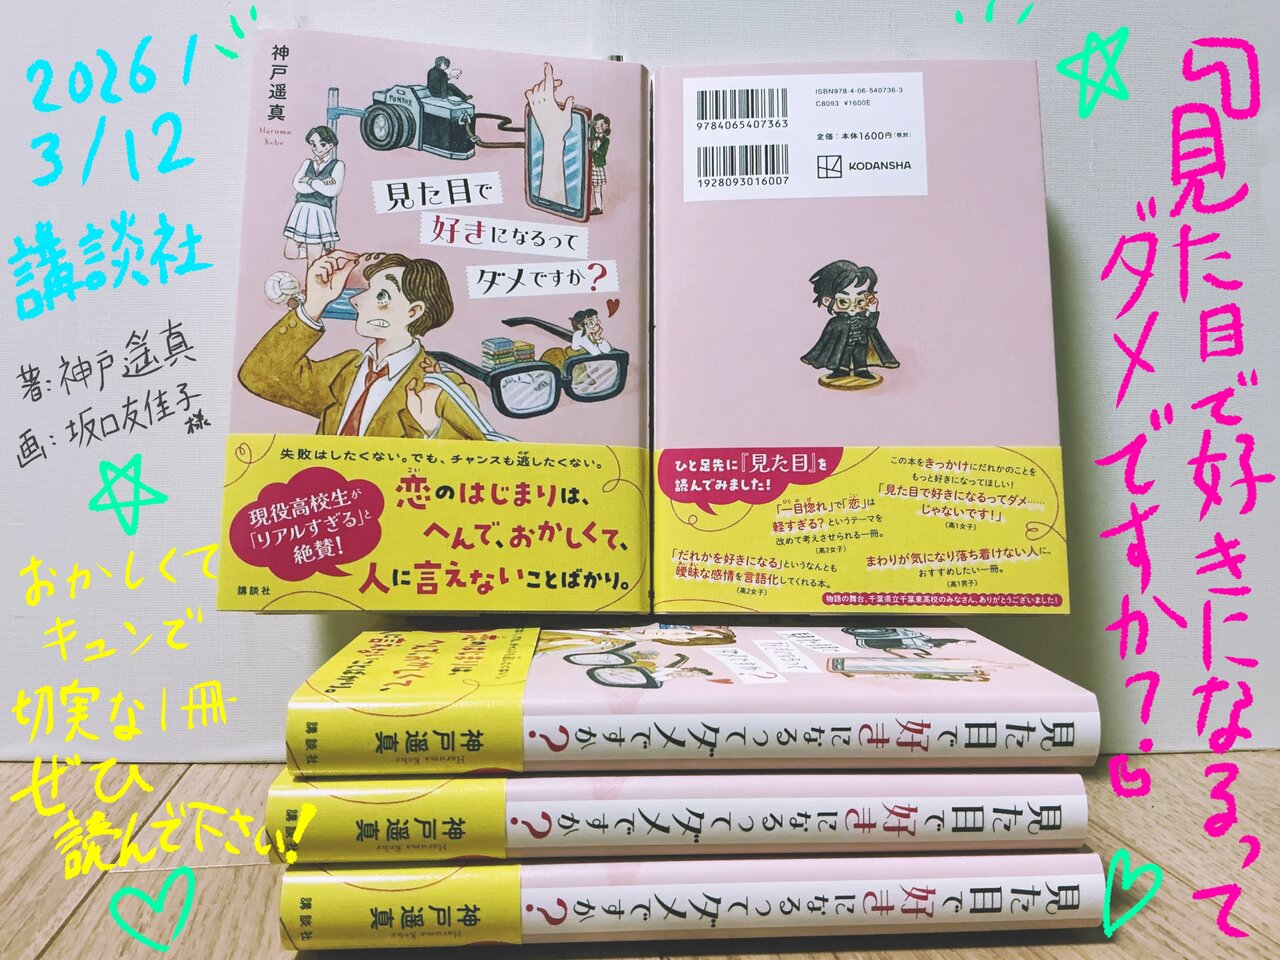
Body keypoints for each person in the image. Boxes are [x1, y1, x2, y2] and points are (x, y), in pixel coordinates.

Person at [238, 251, 490, 440]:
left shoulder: (441, 387)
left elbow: (476, 465)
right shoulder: (345, 370)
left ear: (413, 311)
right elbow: (260, 375)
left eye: (381, 295)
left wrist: (432, 429)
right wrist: (314, 304)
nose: (357, 301)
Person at [801, 259, 900, 390]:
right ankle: (841, 370)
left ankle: (862, 370)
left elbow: (871, 326)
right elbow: (825, 341)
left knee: (860, 356)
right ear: (827, 300)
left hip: (861, 343)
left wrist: (873, 311)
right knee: (843, 356)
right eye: (844, 302)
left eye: (860, 301)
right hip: (843, 346)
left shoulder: (863, 317)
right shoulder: (835, 322)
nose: (853, 307)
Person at [283, 126, 345, 266]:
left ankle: (317, 265)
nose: (317, 148)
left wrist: (310, 181)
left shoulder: (337, 165)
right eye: (313, 144)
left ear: (331, 145)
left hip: (319, 211)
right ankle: (324, 254)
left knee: (313, 259)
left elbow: (333, 191)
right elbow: (298, 185)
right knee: (290, 252)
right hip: (301, 210)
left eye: (322, 144)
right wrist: (321, 184)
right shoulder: (308, 163)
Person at [588, 113, 611, 215]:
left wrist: (594, 151)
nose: (598, 127)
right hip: (589, 164)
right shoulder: (592, 136)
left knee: (597, 187)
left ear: (606, 126)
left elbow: (603, 152)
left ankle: (598, 207)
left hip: (597, 165)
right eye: (596, 125)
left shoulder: (606, 140)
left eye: (601, 125)